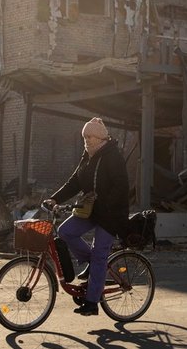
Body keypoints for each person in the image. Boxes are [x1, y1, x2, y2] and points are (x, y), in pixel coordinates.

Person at [41, 117, 129, 316]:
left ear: (100, 138)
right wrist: (55, 199)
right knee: (65, 231)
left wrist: (104, 203)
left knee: (99, 254)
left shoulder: (113, 156)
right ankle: (95, 265)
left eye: (90, 136)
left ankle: (92, 302)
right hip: (91, 209)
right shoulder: (88, 155)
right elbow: (75, 181)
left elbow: (122, 187)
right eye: (85, 136)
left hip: (112, 213)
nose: (87, 140)